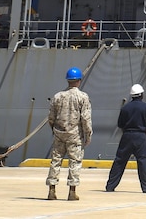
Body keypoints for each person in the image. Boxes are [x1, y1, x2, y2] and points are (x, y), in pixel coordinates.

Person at [45, 67, 92, 201]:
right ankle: (72, 191)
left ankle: (51, 190)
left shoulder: (57, 96)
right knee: (75, 162)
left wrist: (54, 129)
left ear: (68, 80)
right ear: (79, 81)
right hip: (75, 135)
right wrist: (88, 135)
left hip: (59, 133)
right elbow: (86, 118)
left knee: (55, 161)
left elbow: (51, 117)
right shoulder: (83, 97)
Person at [105, 84, 146, 193]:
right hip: (140, 136)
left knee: (119, 161)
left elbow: (121, 125)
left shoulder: (125, 108)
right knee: (142, 162)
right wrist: (143, 135)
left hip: (127, 135)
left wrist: (127, 134)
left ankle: (110, 185)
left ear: (132, 95)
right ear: (141, 94)